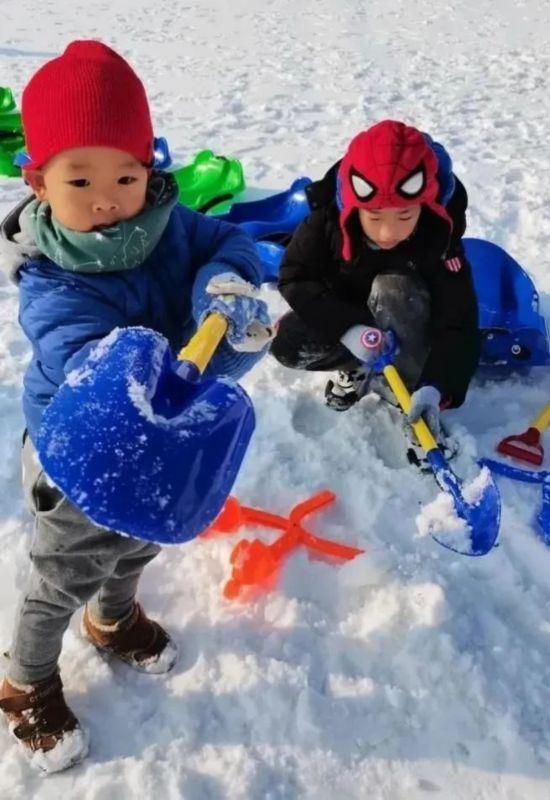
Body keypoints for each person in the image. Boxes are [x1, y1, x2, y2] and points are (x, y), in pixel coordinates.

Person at [0, 40, 271, 773]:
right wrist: (196, 349)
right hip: (81, 448)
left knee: (137, 543)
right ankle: (23, 680)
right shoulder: (51, 277)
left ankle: (113, 618)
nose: (105, 196)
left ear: (149, 169)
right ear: (39, 180)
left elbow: (229, 241)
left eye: (125, 174)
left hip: (163, 433)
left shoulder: (170, 222)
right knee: (65, 569)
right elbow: (90, 365)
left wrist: (223, 284)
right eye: (79, 177)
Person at [271, 119, 481, 461]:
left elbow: (459, 323)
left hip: (413, 323)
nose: (387, 233)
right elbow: (295, 277)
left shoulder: (438, 239)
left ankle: (411, 396)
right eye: (374, 217)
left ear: (424, 204)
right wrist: (350, 328)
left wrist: (435, 388)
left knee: (392, 287)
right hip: (356, 317)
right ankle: (361, 365)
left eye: (403, 217)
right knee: (288, 341)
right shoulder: (326, 223)